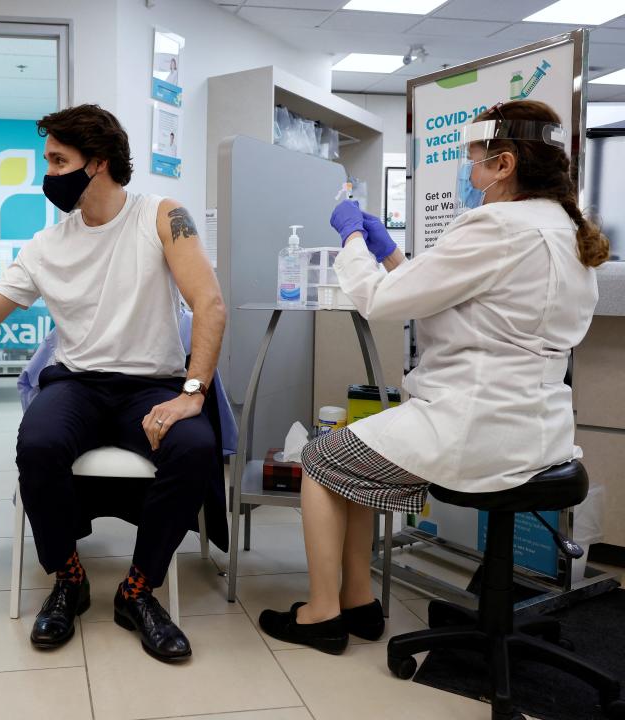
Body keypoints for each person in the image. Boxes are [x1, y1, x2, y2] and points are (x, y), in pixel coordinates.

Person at [0, 104, 227, 663]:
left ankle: (138, 591)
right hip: (77, 382)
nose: (47, 173)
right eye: (46, 160)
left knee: (195, 449)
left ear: (98, 163)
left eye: (57, 160)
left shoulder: (161, 217)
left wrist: (191, 393)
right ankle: (69, 577)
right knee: (37, 443)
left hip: (151, 385)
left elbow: (209, 304)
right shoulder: (47, 246)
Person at [259, 99, 608, 654]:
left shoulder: (497, 225)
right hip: (539, 429)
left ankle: (324, 612)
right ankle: (358, 602)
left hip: (475, 424)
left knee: (326, 459)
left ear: (505, 164)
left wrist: (351, 237)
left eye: (475, 159)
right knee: (358, 457)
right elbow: (458, 297)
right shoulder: (565, 230)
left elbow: (379, 301)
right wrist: (391, 251)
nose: (468, 172)